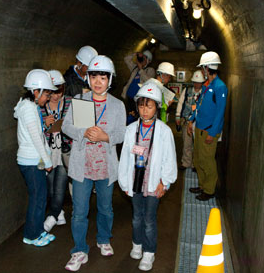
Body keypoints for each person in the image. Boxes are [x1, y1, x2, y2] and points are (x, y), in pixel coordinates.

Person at [62, 55, 126, 271]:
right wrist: (83, 132)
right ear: (88, 79)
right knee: (79, 211)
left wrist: (105, 137)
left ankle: (103, 239)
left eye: (103, 77)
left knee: (106, 208)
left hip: (105, 167)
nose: (98, 81)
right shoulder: (80, 101)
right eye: (94, 76)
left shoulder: (117, 105)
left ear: (110, 80)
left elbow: (121, 133)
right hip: (83, 166)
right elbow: (66, 126)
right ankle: (79, 250)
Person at [118, 83, 177, 271]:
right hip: (135, 181)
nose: (144, 111)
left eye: (149, 106)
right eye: (142, 106)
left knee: (149, 219)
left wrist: (165, 182)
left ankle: (149, 252)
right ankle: (137, 244)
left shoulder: (164, 131)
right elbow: (125, 157)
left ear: (156, 108)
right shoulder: (130, 130)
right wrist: (124, 181)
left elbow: (169, 159)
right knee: (136, 217)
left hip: (153, 183)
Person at [13, 69, 57, 246]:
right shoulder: (29, 109)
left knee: (40, 197)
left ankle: (37, 231)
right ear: (35, 91)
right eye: (46, 93)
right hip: (31, 161)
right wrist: (47, 161)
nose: (47, 97)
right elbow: (37, 138)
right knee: (38, 198)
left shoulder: (28, 106)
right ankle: (31, 235)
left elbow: (39, 135)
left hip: (33, 160)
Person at [187, 52, 228, 201]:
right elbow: (198, 105)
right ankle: (203, 185)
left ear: (207, 68)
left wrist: (213, 132)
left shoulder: (220, 87)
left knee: (207, 161)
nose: (203, 71)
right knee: (198, 159)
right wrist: (191, 120)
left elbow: (220, 113)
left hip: (209, 130)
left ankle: (210, 190)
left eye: (203, 68)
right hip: (199, 128)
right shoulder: (207, 85)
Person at [41, 70, 72, 232]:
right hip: (47, 152)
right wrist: (45, 123)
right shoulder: (40, 105)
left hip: (64, 152)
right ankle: (59, 211)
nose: (56, 96)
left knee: (60, 187)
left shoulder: (70, 103)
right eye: (52, 92)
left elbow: (79, 123)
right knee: (50, 188)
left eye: (59, 91)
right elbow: (35, 132)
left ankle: (52, 216)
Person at [175, 70, 205, 170]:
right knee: (186, 143)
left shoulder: (205, 93)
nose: (197, 84)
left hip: (198, 123)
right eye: (195, 82)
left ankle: (195, 164)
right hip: (186, 121)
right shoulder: (187, 91)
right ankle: (186, 163)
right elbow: (180, 103)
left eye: (199, 82)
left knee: (197, 145)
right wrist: (178, 116)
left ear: (202, 83)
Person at [121, 50, 155, 123]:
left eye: (144, 58)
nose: (142, 59)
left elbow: (148, 81)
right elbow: (126, 59)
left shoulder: (150, 70)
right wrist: (136, 54)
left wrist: (141, 69)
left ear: (148, 61)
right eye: (142, 57)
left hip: (139, 100)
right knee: (127, 118)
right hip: (129, 98)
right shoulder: (135, 69)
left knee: (136, 119)